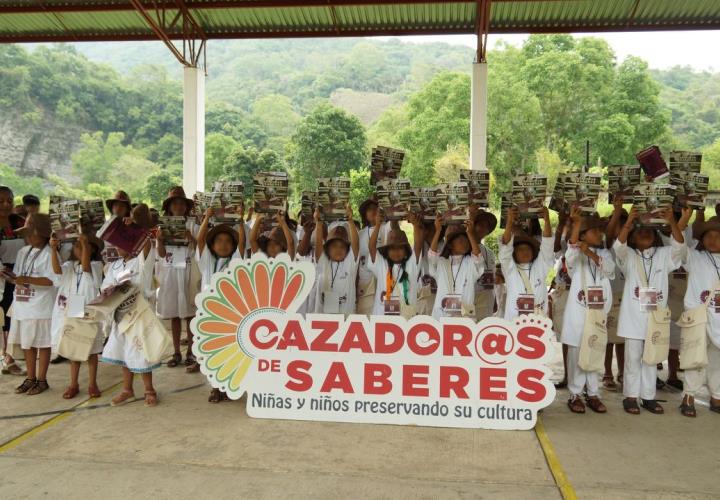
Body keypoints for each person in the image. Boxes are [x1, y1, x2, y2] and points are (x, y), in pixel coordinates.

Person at [614, 207, 690, 415]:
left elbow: (679, 247)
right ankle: (630, 397)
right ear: (633, 237)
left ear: (656, 236)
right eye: (640, 231)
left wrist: (673, 222)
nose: (644, 233)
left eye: (649, 231)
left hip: (655, 318)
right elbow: (618, 246)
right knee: (632, 358)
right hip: (633, 319)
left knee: (652, 358)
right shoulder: (628, 256)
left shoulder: (664, 255)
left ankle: (648, 397)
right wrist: (629, 221)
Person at [99, 217, 159, 407]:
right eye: (116, 244)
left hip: (138, 313)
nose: (118, 247)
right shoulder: (114, 265)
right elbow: (105, 286)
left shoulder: (141, 262)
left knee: (141, 351)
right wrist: (109, 291)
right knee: (125, 352)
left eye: (122, 243)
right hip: (120, 314)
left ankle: (149, 389)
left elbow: (148, 245)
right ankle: (127, 389)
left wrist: (135, 228)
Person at [562, 209, 615, 413]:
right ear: (583, 235)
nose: (600, 234)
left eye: (600, 231)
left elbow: (609, 270)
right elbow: (572, 255)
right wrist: (576, 225)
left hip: (598, 313)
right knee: (576, 353)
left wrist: (590, 252)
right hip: (579, 314)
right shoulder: (574, 255)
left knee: (595, 350)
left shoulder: (604, 253)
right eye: (594, 231)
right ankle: (575, 393)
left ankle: (592, 393)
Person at [49, 233, 105, 399]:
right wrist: (53, 249)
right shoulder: (69, 265)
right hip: (73, 305)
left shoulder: (96, 265)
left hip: (89, 306)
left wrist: (85, 243)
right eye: (77, 246)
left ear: (92, 250)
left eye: (85, 247)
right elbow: (57, 270)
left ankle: (92, 383)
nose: (79, 249)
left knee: (91, 350)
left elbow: (86, 266)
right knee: (74, 347)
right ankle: (73, 384)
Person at [8, 214, 58, 395]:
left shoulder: (50, 253)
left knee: (42, 344)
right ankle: (30, 378)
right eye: (26, 234)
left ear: (43, 234)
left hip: (41, 306)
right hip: (23, 304)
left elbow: (52, 280)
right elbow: (18, 274)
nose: (28, 237)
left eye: (31, 233)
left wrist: (27, 279)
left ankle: (42, 379)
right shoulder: (24, 251)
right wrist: (10, 276)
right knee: (27, 343)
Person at [196, 208, 242, 403]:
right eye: (219, 241)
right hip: (210, 312)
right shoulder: (208, 261)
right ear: (212, 245)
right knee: (212, 351)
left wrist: (239, 218)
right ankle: (215, 387)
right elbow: (199, 241)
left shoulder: (236, 261)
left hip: (231, 313)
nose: (223, 245)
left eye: (227, 241)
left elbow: (243, 241)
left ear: (233, 245)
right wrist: (206, 218)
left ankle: (228, 386)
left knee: (230, 351)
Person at [678, 216, 720, 417]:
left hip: (719, 317)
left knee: (717, 359)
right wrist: (683, 220)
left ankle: (717, 395)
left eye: (717, 236)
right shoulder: (695, 257)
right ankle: (689, 395)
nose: (712, 240)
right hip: (698, 316)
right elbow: (678, 245)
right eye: (708, 236)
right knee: (694, 357)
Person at [156, 187, 198, 370]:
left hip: (188, 267)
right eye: (175, 203)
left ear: (186, 206)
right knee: (173, 313)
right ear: (169, 206)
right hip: (171, 269)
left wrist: (191, 238)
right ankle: (176, 352)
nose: (178, 206)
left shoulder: (192, 224)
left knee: (189, 313)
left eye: (181, 203)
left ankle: (191, 351)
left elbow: (199, 248)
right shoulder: (163, 225)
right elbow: (161, 253)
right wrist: (159, 240)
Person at [498, 207, 554, 321]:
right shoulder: (510, 268)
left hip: (539, 322)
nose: (525, 252)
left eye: (528, 249)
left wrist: (547, 221)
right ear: (513, 253)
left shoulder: (540, 266)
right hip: (513, 323)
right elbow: (505, 248)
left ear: (533, 253)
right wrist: (509, 222)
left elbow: (548, 244)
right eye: (520, 249)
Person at [429, 215, 485, 319]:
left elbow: (478, 257)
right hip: (441, 317)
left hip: (465, 317)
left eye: (466, 241)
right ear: (450, 245)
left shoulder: (470, 263)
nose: (465, 244)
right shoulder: (442, 263)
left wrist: (470, 234)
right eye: (460, 241)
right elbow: (432, 255)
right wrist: (438, 231)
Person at [368, 212, 422, 318]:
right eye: (392, 248)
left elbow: (418, 245)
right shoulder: (382, 264)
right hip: (381, 320)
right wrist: (378, 225)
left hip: (406, 320)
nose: (396, 252)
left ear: (406, 251)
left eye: (400, 248)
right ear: (387, 251)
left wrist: (415, 225)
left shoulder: (411, 265)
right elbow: (371, 247)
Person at [313, 204, 360, 315]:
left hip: (346, 321)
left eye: (342, 246)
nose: (338, 249)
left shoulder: (349, 264)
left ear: (347, 250)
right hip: (322, 321)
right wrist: (319, 223)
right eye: (334, 246)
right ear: (327, 249)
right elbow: (318, 244)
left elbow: (356, 244)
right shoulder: (324, 263)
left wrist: (350, 221)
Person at [0, 186, 26, 375]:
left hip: (18, 275)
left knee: (12, 317)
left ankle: (9, 358)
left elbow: (33, 243)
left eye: (9, 200)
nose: (6, 204)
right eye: (1, 201)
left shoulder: (19, 221)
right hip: (2, 275)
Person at [603, 199, 628, 391]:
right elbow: (610, 233)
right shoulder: (607, 246)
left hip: (625, 296)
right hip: (609, 295)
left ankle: (622, 372)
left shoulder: (633, 246)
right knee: (607, 339)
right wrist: (617, 211)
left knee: (622, 339)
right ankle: (607, 373)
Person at [471, 207, 498, 320]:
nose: (484, 229)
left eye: (486, 227)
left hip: (487, 299)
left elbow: (492, 276)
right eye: (480, 225)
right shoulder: (465, 248)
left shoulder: (489, 252)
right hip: (472, 299)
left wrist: (494, 299)